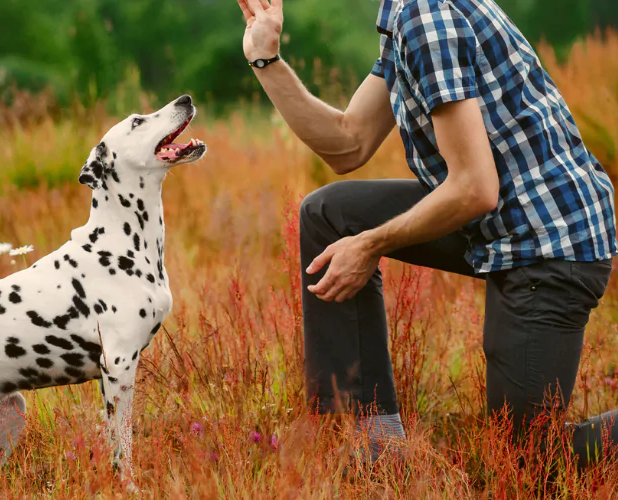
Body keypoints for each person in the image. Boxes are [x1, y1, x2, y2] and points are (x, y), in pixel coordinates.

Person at [235, 0, 618, 467]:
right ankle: (375, 452)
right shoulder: (403, 19)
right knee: (330, 213)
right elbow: (348, 144)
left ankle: (383, 452)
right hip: (501, 220)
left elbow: (474, 188)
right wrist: (266, 60)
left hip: (549, 240)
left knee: (528, 461)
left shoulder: (425, 17)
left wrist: (372, 243)